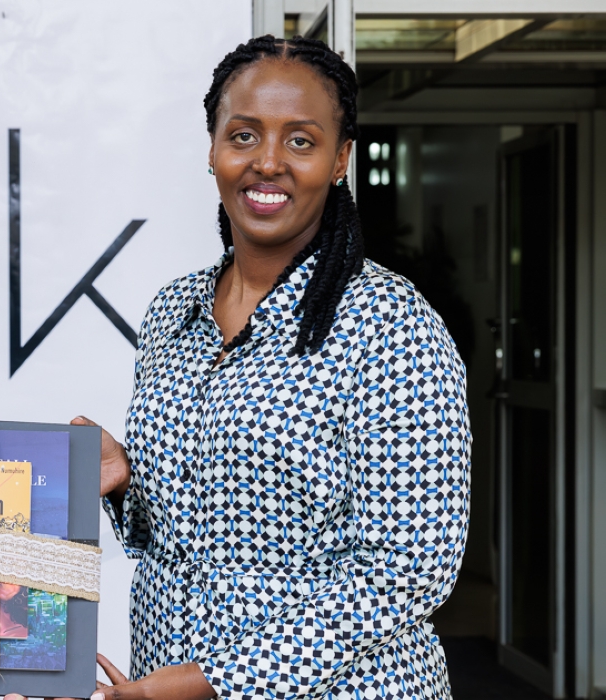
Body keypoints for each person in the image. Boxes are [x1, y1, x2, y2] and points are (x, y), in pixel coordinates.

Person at [67, 35, 470, 700]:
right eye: (245, 135)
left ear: (341, 158)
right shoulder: (174, 313)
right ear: (213, 149)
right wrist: (124, 485)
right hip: (164, 675)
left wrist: (212, 681)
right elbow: (192, 534)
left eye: (301, 141)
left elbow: (405, 571)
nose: (268, 163)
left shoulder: (392, 327)